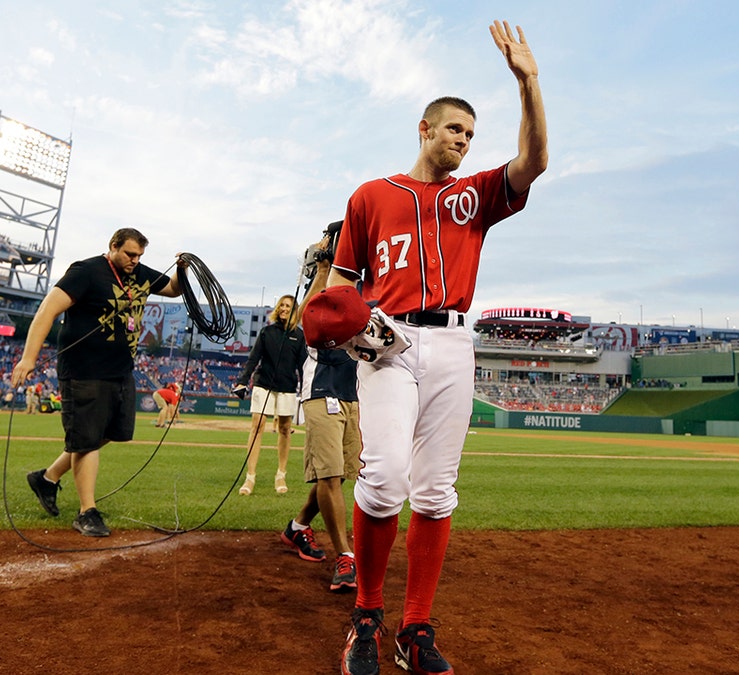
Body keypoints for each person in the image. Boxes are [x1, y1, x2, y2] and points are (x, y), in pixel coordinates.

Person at [328, 20, 547, 675]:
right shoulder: (372, 196)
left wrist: (528, 83)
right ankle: (366, 617)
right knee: (386, 474)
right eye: (455, 128)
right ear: (425, 129)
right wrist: (344, 325)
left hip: (454, 340)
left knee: (435, 491)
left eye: (472, 135)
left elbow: (533, 163)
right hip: (388, 339)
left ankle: (413, 629)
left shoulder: (473, 198)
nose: (464, 140)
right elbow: (340, 284)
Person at [12, 227, 184, 537]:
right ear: (113, 246)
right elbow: (47, 311)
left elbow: (173, 289)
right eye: (129, 254)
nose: (134, 260)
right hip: (83, 370)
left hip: (120, 370)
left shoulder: (141, 273)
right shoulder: (86, 271)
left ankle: (47, 478)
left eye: (139, 256)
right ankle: (86, 512)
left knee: (111, 433)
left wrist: (183, 270)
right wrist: (28, 358)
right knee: (88, 440)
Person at [281, 240, 361, 591]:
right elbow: (304, 320)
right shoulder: (326, 281)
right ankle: (346, 556)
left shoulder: (364, 282)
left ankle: (297, 528)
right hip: (321, 391)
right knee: (329, 476)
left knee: (339, 475)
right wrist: (324, 268)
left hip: (353, 394)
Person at [233, 294, 306, 495]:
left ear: (294, 311)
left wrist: (308, 389)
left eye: (288, 306)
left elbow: (303, 366)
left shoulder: (299, 336)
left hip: (287, 387)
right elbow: (253, 359)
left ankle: (281, 474)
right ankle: (250, 478)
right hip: (263, 384)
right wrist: (242, 380)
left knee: (284, 428)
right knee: (257, 425)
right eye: (281, 305)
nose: (283, 308)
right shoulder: (266, 332)